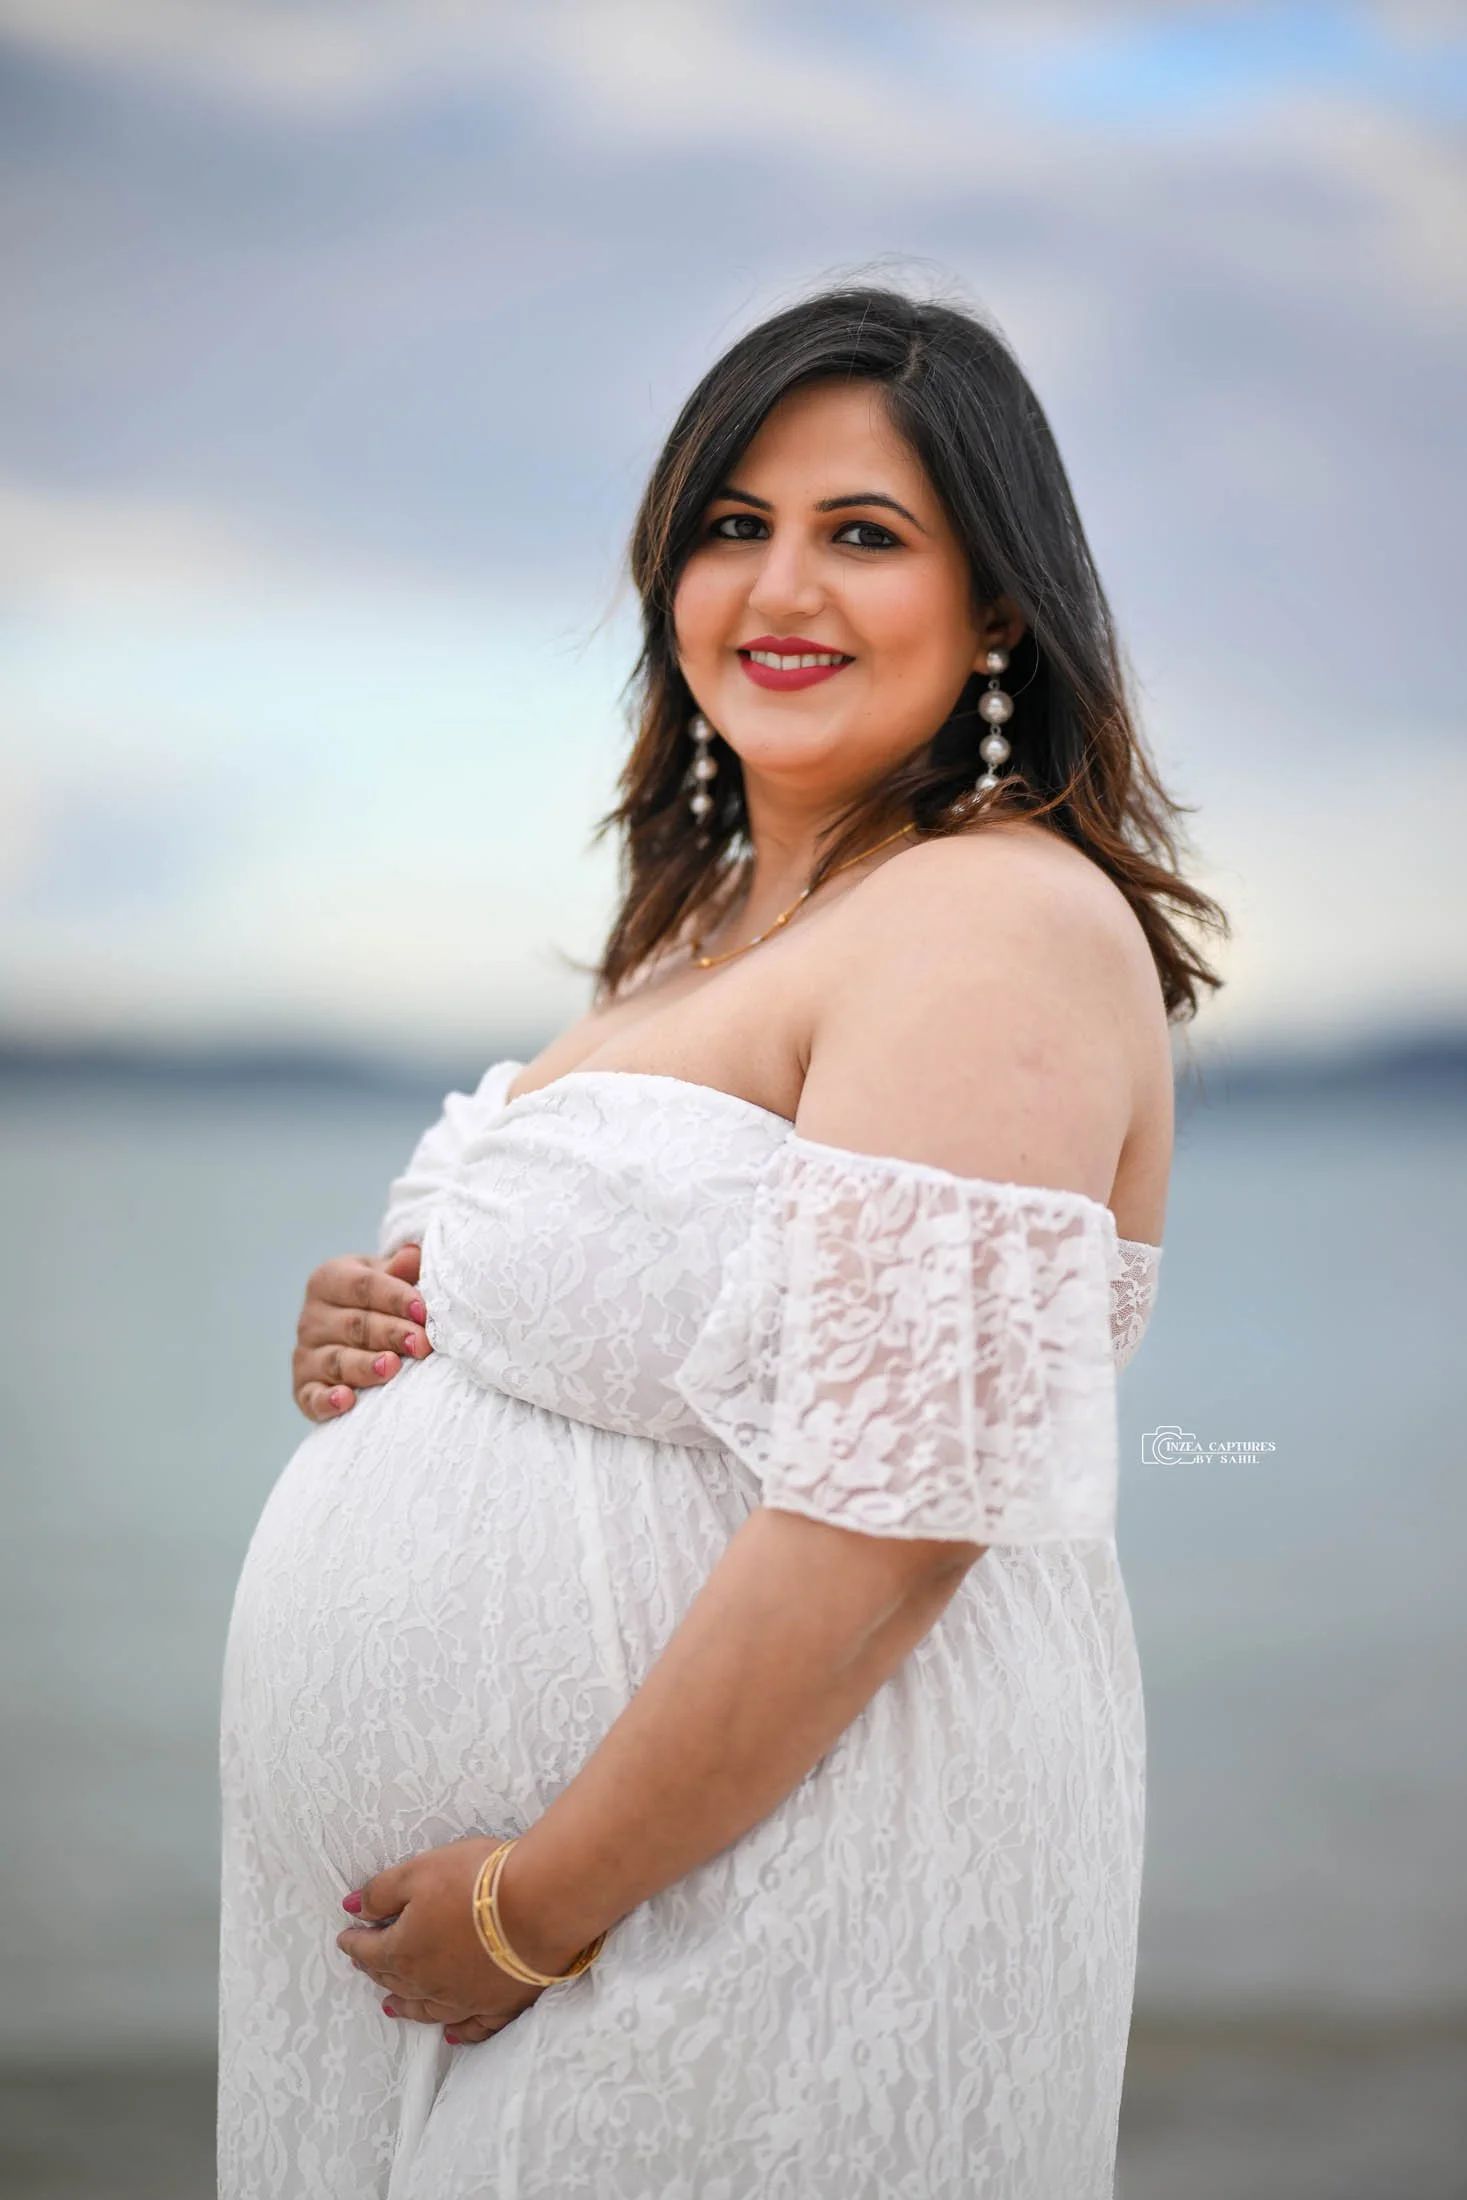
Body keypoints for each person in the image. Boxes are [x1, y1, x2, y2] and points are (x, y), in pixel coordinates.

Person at [220, 283, 1226, 2199]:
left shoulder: (992, 919)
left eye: (865, 533)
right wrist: (398, 1330)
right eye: (734, 525)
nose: (780, 587)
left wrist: (537, 1906)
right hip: (612, 1918)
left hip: (750, 1909)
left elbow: (899, 1510)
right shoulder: (695, 942)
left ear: (998, 606)